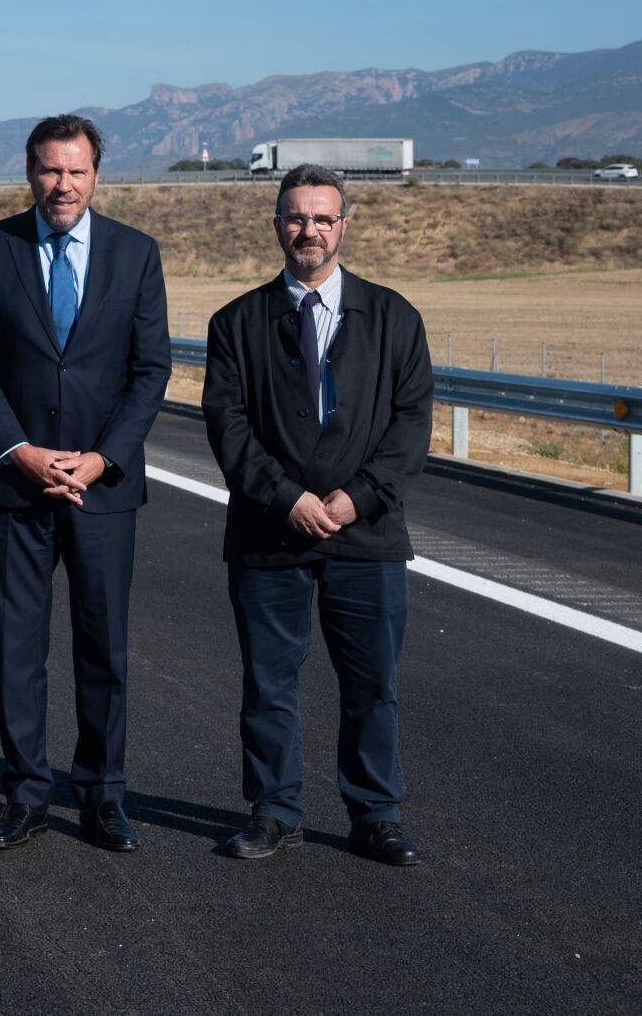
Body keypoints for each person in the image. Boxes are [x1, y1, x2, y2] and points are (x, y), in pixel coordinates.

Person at [201, 163, 433, 867]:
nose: (310, 230)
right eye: (297, 217)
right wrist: (288, 497)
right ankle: (274, 812)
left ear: (345, 225)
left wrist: (355, 497)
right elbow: (228, 426)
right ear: (277, 224)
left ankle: (375, 815)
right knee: (269, 683)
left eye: (323, 218)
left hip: (370, 536)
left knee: (372, 685)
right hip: (269, 536)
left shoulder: (394, 317)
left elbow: (411, 424)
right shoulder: (236, 323)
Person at [0, 114, 171, 851]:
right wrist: (20, 450)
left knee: (102, 646)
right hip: (15, 485)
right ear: (29, 173)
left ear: (97, 175)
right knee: (19, 646)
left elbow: (151, 372)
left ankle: (103, 795)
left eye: (76, 171)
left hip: (103, 487)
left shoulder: (136, 256)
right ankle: (25, 795)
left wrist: (102, 458)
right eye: (49, 170)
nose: (62, 185)